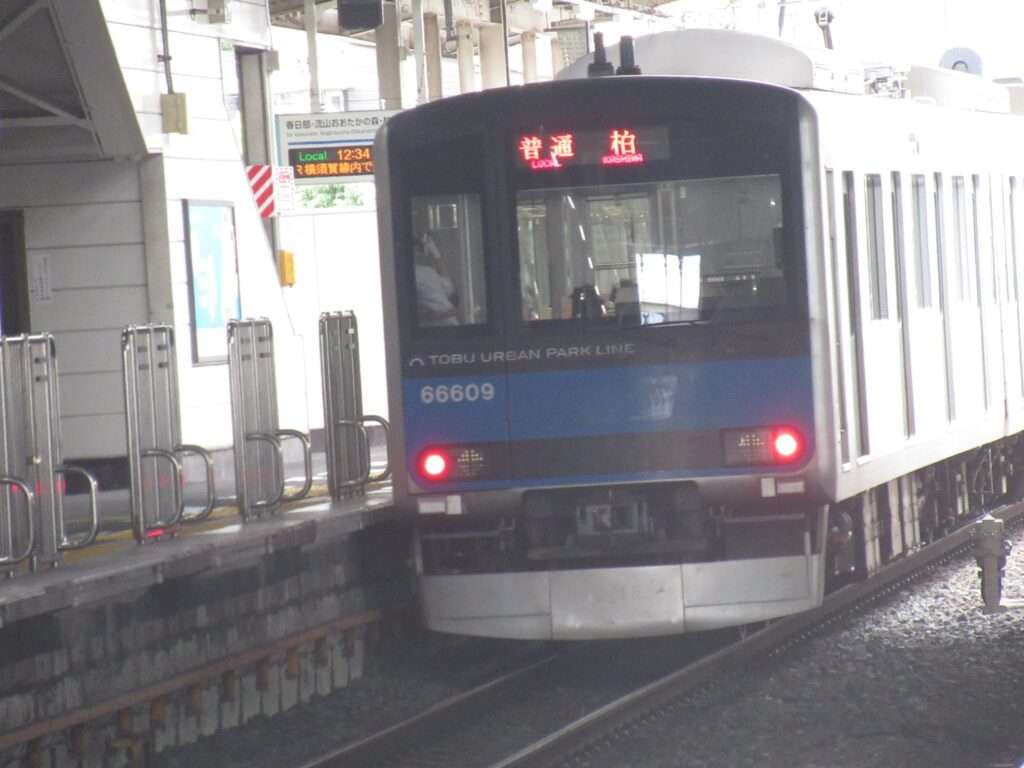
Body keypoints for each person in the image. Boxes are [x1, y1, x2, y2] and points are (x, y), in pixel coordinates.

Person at [414, 232, 459, 326]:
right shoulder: (424, 273)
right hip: (445, 324)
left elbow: (447, 283)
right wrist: (435, 251)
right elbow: (448, 284)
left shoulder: (425, 273)